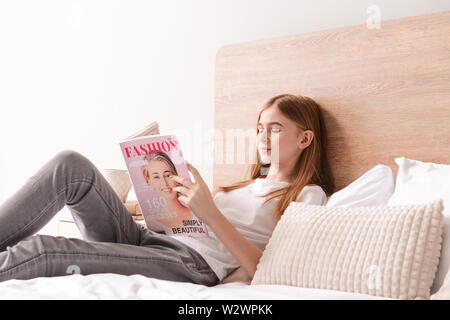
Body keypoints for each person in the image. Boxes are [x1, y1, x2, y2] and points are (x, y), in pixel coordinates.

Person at [0, 93, 334, 286]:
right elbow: (192, 221)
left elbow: (267, 270)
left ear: (305, 139)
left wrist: (210, 211)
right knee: (69, 165)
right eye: (260, 128)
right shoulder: (244, 185)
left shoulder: (308, 196)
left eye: (275, 130)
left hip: (189, 262)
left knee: (44, 250)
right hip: (152, 238)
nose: (262, 136)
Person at [140, 151, 193, 231]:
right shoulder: (153, 224)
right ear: (149, 181)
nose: (164, 183)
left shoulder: (196, 214)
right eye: (156, 177)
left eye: (167, 175)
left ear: (176, 176)